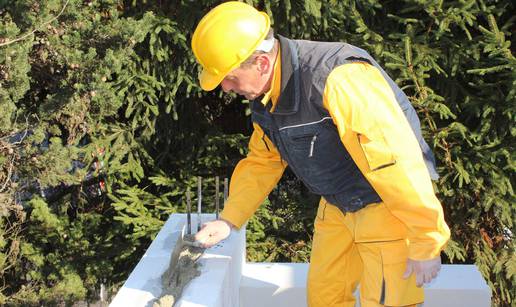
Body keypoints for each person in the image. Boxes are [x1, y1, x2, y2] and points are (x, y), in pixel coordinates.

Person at [191, 2, 450, 306]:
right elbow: (264, 160)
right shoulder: (266, 96)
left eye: (230, 77)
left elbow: (395, 160)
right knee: (324, 299)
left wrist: (426, 238)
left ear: (261, 63)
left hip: (387, 209)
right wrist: (229, 220)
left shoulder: (338, 79)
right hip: (338, 206)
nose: (225, 87)